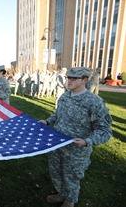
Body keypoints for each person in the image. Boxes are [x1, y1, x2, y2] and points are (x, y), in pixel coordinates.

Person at [38, 67, 112, 207]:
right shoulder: (65, 96)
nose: (69, 80)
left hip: (76, 150)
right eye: (68, 77)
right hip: (57, 144)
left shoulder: (94, 102)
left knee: (71, 176)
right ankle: (61, 194)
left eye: (73, 78)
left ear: (84, 80)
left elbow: (104, 130)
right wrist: (48, 121)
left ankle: (70, 200)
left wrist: (87, 141)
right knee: (56, 172)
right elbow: (57, 114)